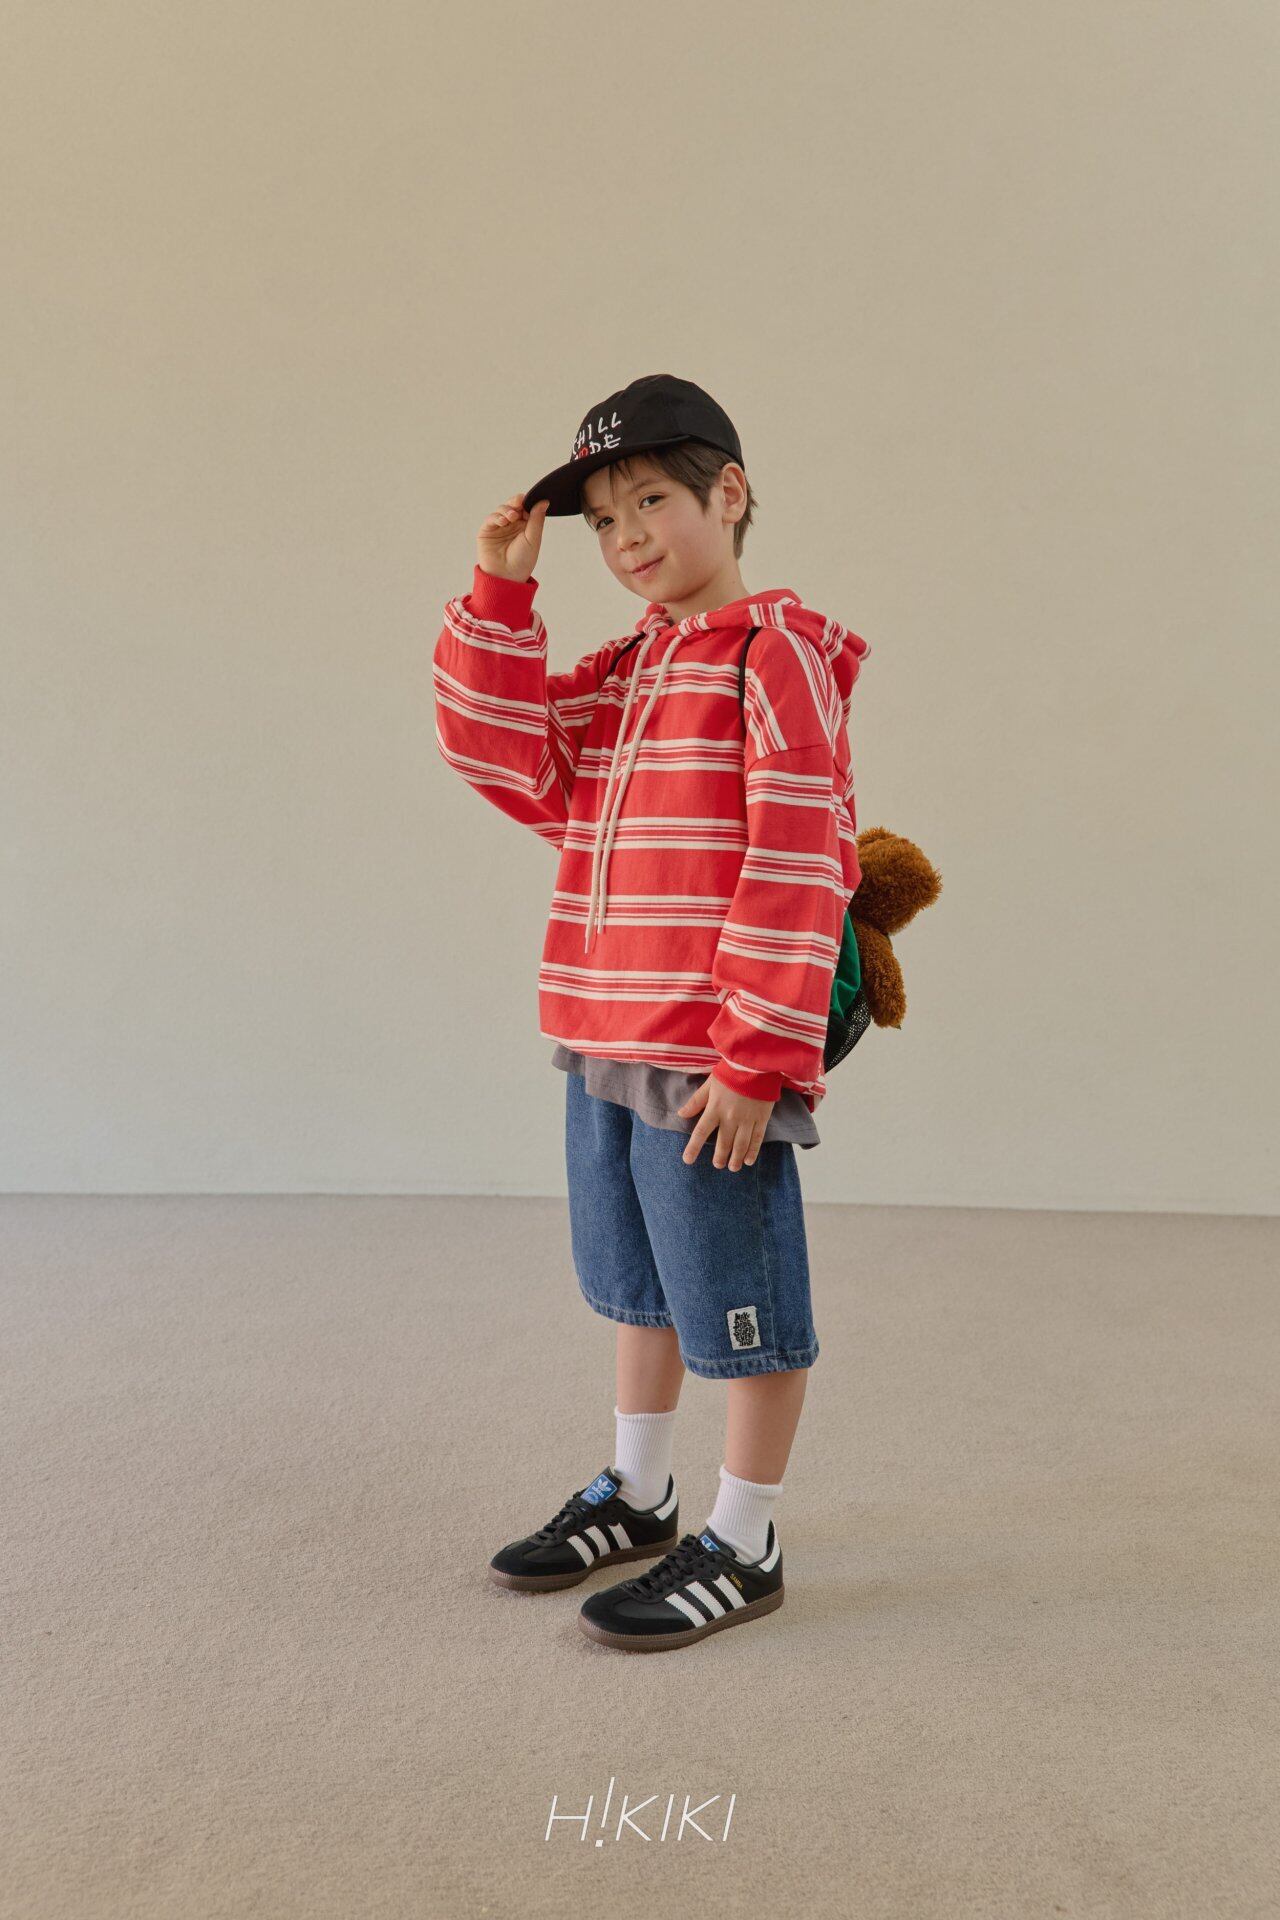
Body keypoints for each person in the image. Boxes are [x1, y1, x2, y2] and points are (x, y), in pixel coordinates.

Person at [431, 373, 869, 1652]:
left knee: (736, 1296)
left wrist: (757, 1055)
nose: (627, 538)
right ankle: (638, 1490)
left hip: (710, 1052)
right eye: (605, 520)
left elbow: (801, 856)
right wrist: (499, 591)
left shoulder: (772, 656)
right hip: (605, 1031)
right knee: (639, 1285)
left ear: (727, 495)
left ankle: (745, 1536)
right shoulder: (625, 670)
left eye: (652, 503)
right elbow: (501, 753)